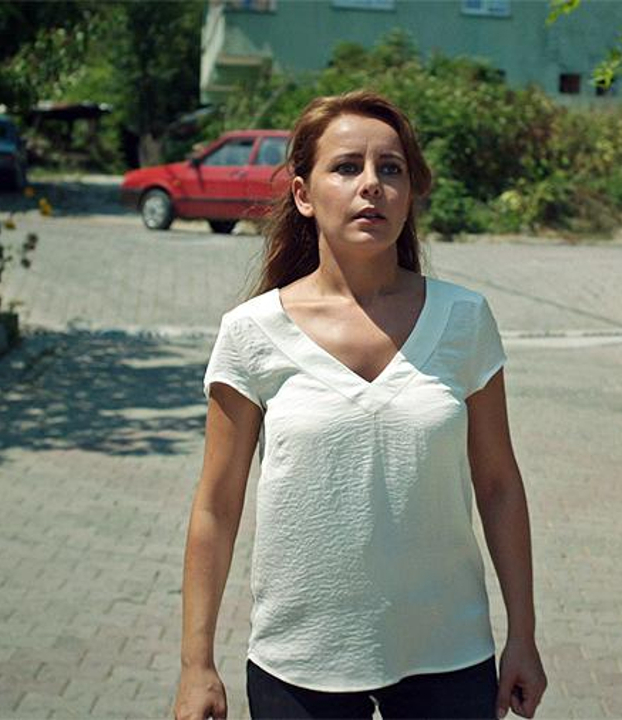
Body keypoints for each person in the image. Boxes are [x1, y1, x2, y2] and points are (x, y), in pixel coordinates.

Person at [173, 90, 546, 720]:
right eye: (347, 167)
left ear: (409, 193)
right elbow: (216, 505)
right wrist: (195, 664)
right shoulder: (251, 332)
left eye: (390, 168)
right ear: (303, 194)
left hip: (449, 654)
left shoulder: (464, 318)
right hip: (300, 662)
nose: (371, 184)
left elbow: (500, 486)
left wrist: (523, 637)